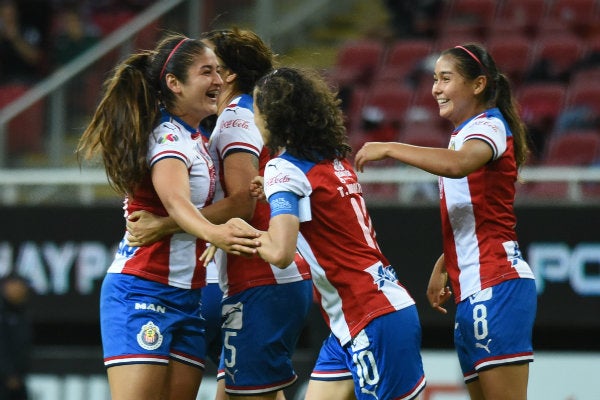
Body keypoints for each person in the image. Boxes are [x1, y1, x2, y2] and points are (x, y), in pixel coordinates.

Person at [125, 28, 313, 400]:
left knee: (248, 391)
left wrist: (164, 225)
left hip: (261, 274)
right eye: (203, 70)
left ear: (227, 74)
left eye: (214, 68)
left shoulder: (233, 119)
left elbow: (243, 201)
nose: (211, 78)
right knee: (247, 390)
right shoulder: (246, 114)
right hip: (258, 272)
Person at [76, 33, 261, 400]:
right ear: (174, 83)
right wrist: (215, 233)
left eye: (219, 72)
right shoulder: (167, 137)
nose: (219, 81)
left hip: (188, 297)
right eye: (206, 72)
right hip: (143, 289)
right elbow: (177, 204)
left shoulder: (196, 137)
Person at [354, 43, 537, 400]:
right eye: (434, 79)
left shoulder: (490, 126)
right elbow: (480, 212)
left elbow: (459, 165)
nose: (436, 88)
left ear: (478, 84)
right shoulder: (463, 134)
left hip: (496, 284)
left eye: (446, 79)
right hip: (471, 288)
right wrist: (445, 262)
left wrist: (390, 147)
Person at [250, 67, 426, 400]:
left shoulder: (282, 167)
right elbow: (319, 210)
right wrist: (277, 195)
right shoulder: (332, 161)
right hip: (355, 321)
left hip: (371, 319)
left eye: (256, 108)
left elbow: (280, 252)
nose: (253, 117)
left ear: (274, 115)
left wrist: (238, 231)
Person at [0, 274, 32, 400]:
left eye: (22, 285)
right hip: (5, 379)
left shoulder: (22, 313)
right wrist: (8, 374)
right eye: (16, 284)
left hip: (19, 378)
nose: (20, 288)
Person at [0, 0, 44, 84]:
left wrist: (16, 39)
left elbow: (35, 58)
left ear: (16, 13)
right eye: (4, 15)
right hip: (6, 84)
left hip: (28, 81)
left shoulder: (29, 31)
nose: (8, 18)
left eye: (11, 14)